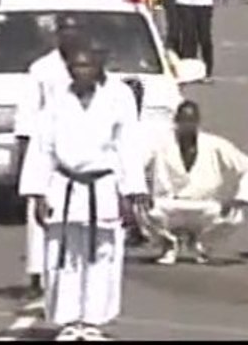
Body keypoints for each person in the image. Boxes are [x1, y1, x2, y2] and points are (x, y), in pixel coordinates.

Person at [20, 44, 150, 342]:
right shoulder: (55, 102)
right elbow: (42, 148)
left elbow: (127, 146)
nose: (80, 71)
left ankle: (93, 321)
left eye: (86, 65)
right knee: (62, 255)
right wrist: (36, 193)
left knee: (101, 255)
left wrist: (132, 191)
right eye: (75, 66)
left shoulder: (118, 98)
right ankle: (68, 321)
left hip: (102, 185)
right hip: (63, 185)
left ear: (99, 66)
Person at [14, 14, 84, 300]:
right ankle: (36, 272)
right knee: (39, 212)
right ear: (56, 35)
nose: (69, 36)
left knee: (72, 211)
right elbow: (28, 112)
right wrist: (22, 151)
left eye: (73, 30)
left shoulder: (85, 66)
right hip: (44, 146)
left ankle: (69, 270)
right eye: (64, 31)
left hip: (77, 147)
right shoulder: (41, 69)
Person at [143, 101, 248, 265]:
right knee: (140, 207)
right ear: (176, 121)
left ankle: (202, 243)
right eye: (183, 120)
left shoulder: (215, 144)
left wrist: (239, 196)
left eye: (191, 121)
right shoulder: (160, 143)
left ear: (198, 122)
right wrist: (141, 191)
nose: (188, 125)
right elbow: (136, 166)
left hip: (204, 207)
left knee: (235, 215)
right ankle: (168, 243)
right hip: (168, 205)